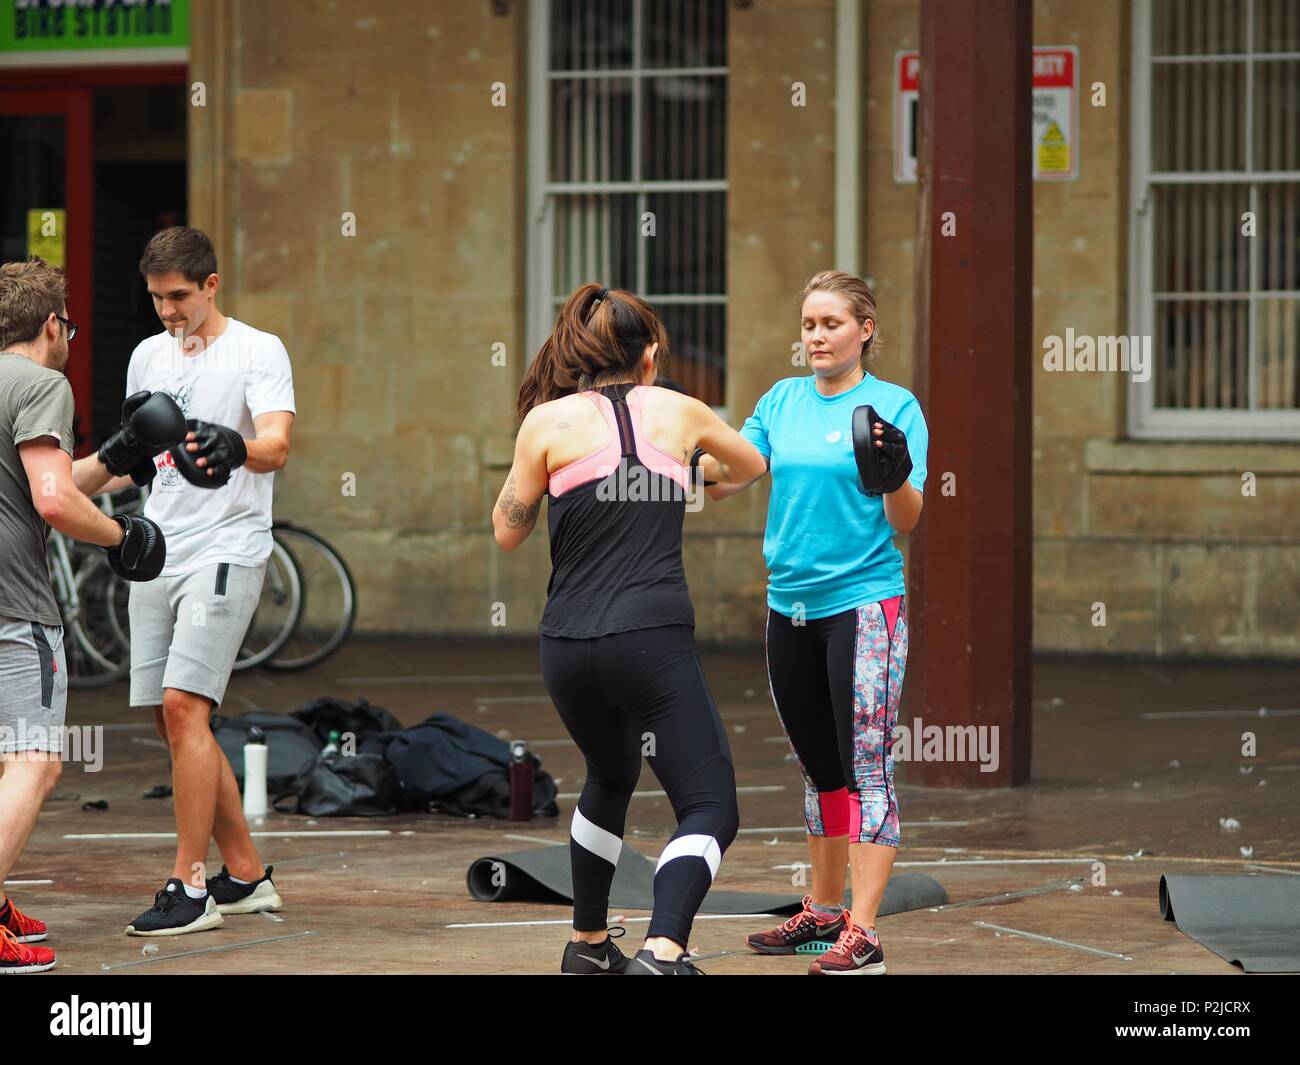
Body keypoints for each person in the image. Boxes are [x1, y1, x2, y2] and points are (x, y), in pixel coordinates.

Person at [493, 283, 767, 974]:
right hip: (649, 638)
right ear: (649, 356)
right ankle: (663, 947)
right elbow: (752, 465)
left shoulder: (545, 423)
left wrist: (556, 485)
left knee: (610, 773)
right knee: (709, 805)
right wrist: (681, 475)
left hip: (566, 645)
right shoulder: (681, 410)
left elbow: (507, 529)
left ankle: (588, 946)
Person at [700, 270, 928, 975]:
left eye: (832, 322)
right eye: (809, 324)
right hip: (787, 606)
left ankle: (864, 931)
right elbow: (735, 472)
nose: (818, 335)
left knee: (866, 766)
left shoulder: (894, 406)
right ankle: (824, 911)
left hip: (862, 606)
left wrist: (894, 477)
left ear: (866, 329)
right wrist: (677, 454)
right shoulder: (781, 399)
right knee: (817, 765)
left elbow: (908, 521)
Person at [72, 226, 296, 936]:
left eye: (178, 296)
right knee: (170, 716)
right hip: (159, 546)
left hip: (228, 546)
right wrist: (118, 458)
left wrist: (238, 446)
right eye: (156, 298)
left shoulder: (258, 349)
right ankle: (246, 874)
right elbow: (139, 460)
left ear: (210, 285)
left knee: (182, 706)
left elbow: (277, 445)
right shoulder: (146, 355)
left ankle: (191, 884)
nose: (168, 311)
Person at [0, 258, 168, 973]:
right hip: (15, 607)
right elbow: (53, 499)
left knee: (13, 762)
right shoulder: (43, 384)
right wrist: (122, 535)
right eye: (68, 322)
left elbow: (54, 476)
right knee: (34, 761)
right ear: (51, 325)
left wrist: (124, 456)